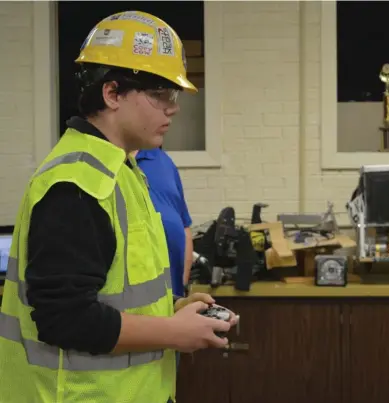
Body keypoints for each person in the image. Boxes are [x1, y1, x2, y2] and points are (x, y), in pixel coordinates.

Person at [0, 11, 236, 403]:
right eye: (160, 94)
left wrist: (174, 311)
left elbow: (109, 294)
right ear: (112, 94)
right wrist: (174, 333)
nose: (173, 108)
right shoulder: (75, 185)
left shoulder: (124, 168)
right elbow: (65, 318)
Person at [133, 147, 193, 299]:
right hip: (132, 305)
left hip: (171, 297)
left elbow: (183, 225)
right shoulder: (104, 163)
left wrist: (182, 287)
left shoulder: (162, 160)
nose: (168, 122)